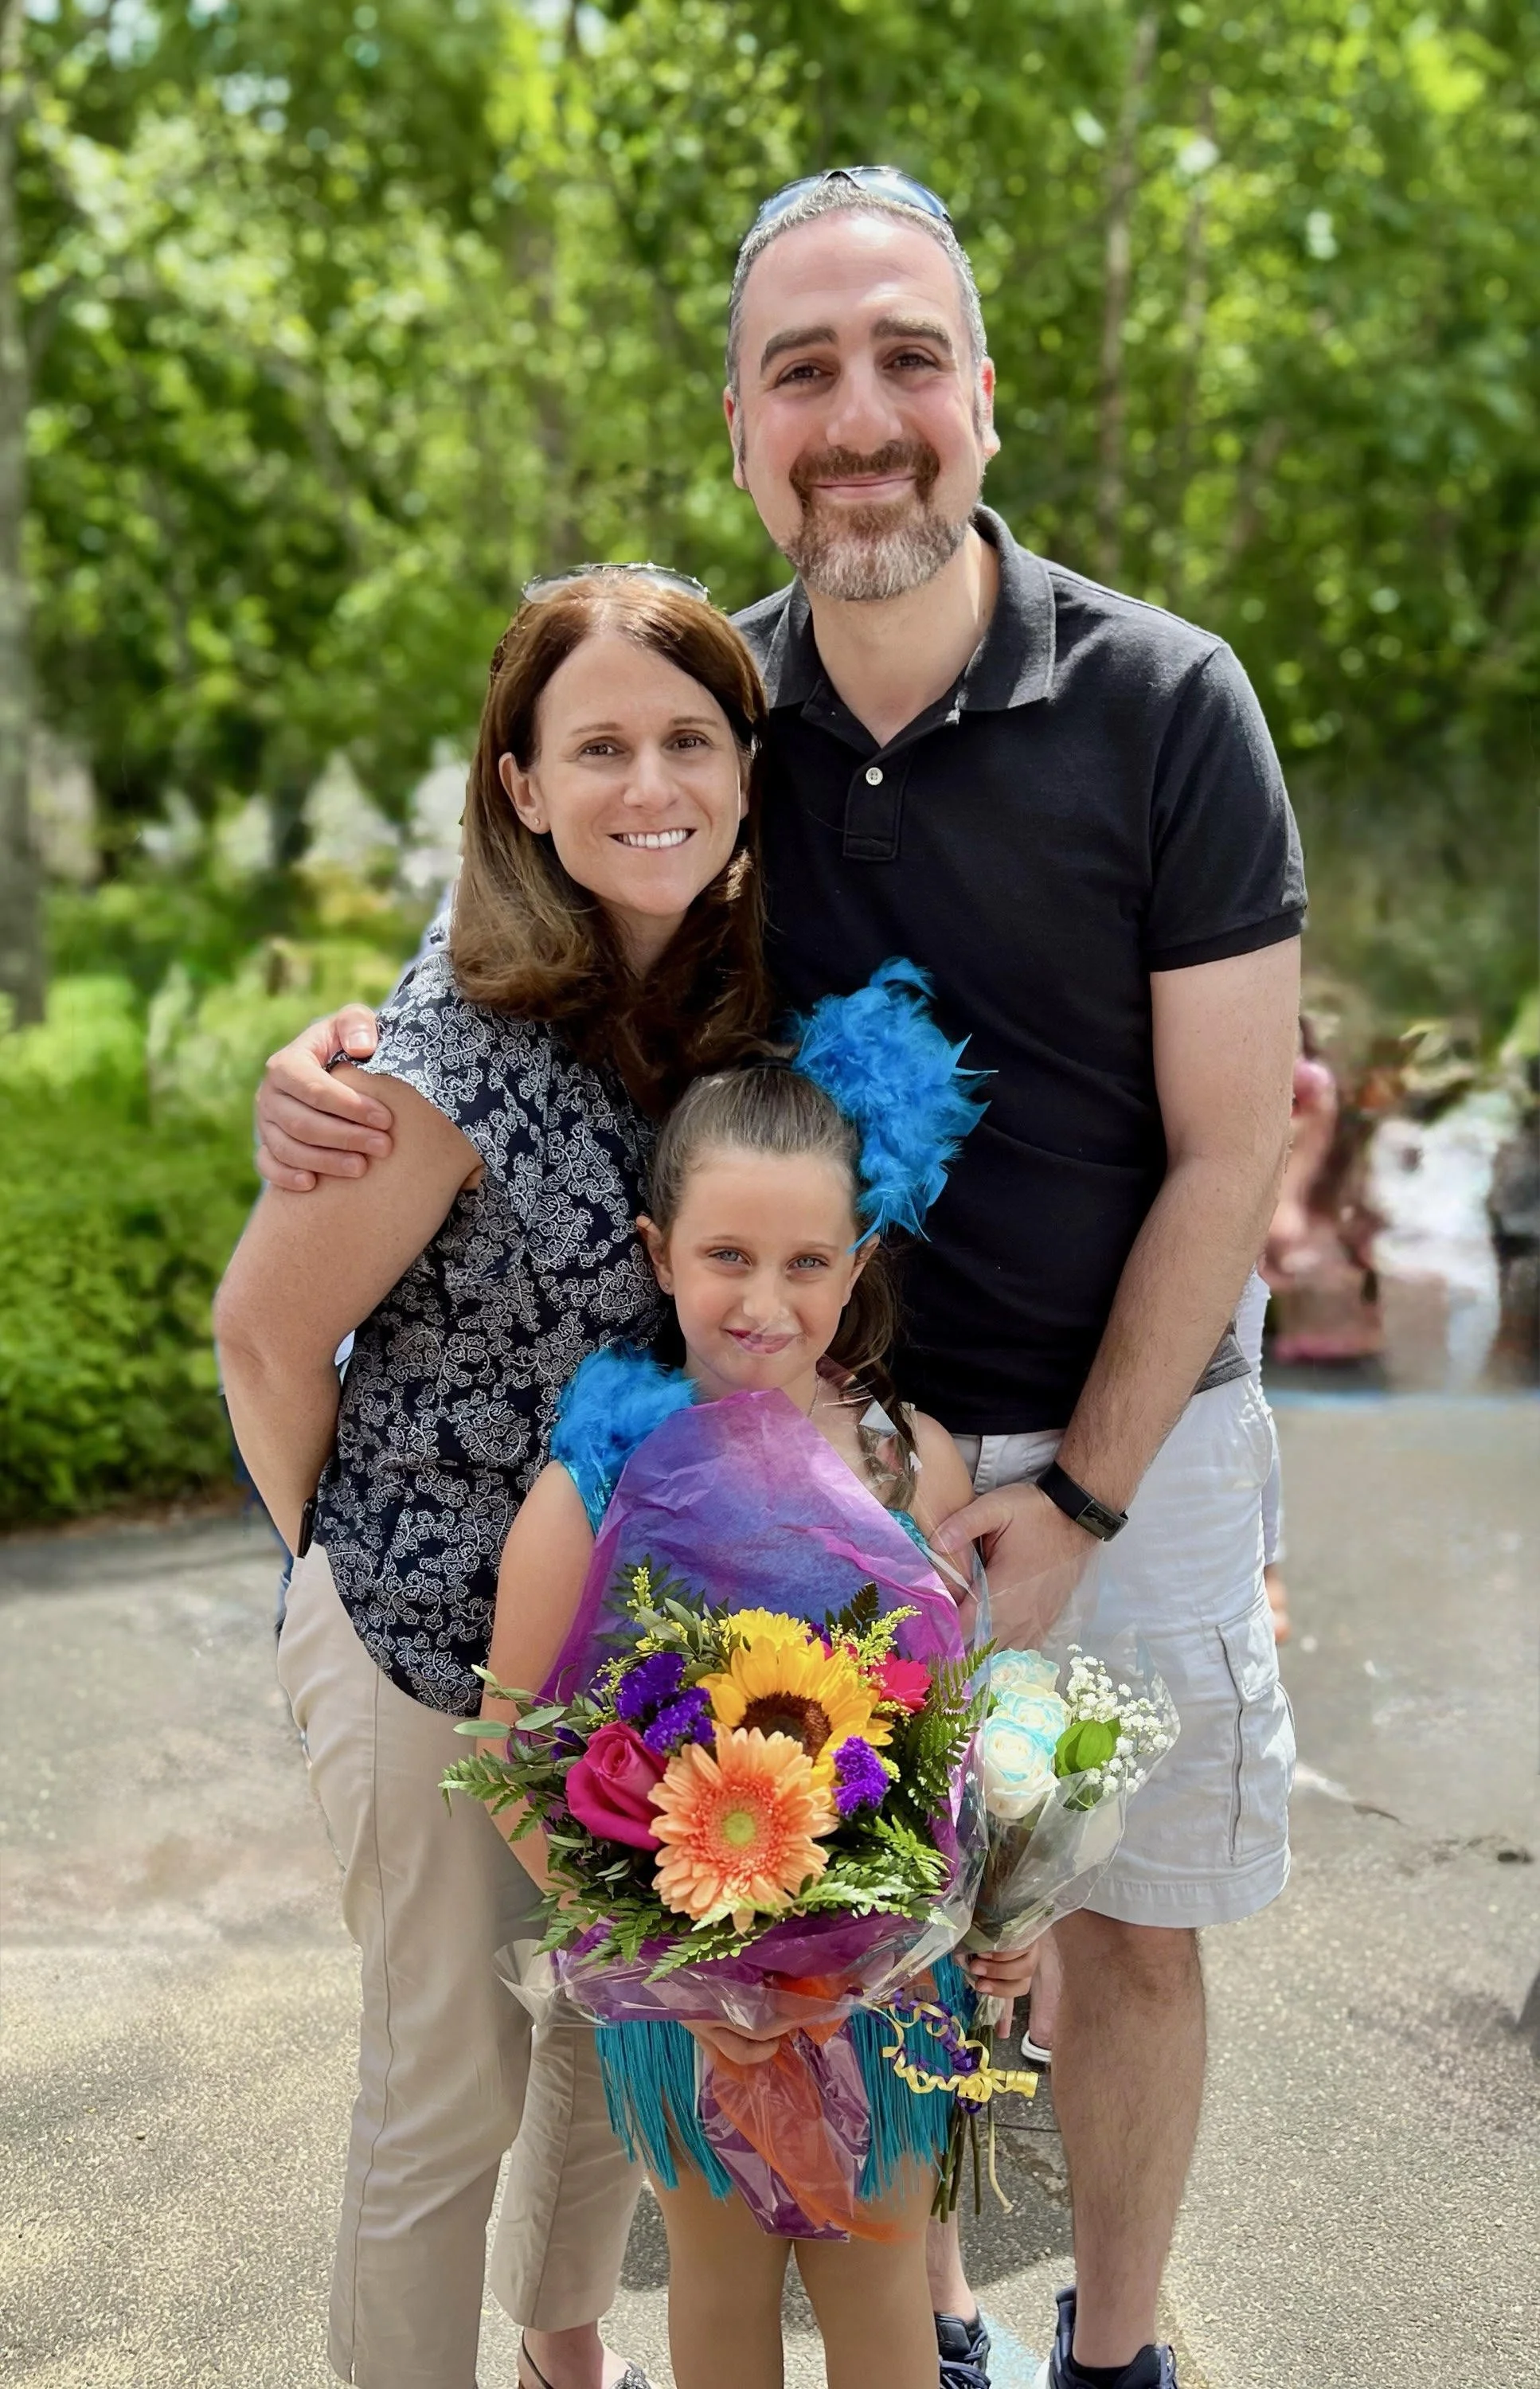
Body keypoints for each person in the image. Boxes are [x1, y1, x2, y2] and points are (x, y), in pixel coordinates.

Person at [252, 169, 1304, 2389]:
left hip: (1128, 1455)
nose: (861, 413)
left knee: (1122, 1933)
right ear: (741, 425)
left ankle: (1109, 2354)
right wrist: (319, 1062)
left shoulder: (1165, 701)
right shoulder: (713, 716)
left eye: (906, 356)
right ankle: (904, 2333)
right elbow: (502, 952)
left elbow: (1228, 1144)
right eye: (803, 370)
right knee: (810, 1934)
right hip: (788, 1464)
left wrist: (1082, 1500)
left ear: (983, 400)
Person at [215, 569, 776, 2389]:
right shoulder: (436, 1055)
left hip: (642, 1648)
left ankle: (560, 2355)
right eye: (596, 745)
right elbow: (261, 1338)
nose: (649, 781)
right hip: (416, 1652)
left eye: (688, 737)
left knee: (614, 2050)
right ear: (521, 786)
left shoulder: (726, 1016)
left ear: (743, 768)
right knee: (441, 2091)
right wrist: (339, 1581)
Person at [473, 971, 1017, 2389]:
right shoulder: (592, 1486)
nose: (763, 1301)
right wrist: (669, 1957)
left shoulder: (909, 1464)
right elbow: (512, 1740)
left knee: (881, 2283)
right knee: (715, 2297)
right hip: (681, 1993)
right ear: (659, 1254)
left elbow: (964, 1736)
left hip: (889, 1988)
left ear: (859, 1258)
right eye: (725, 1257)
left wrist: (999, 1916)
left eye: (805, 1263)